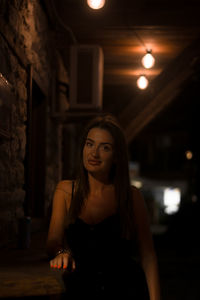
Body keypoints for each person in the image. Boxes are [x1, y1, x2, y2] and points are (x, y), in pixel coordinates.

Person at [46, 114, 161, 299]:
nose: (94, 153)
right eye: (90, 144)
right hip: (81, 291)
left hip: (126, 290)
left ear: (116, 157)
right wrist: (62, 252)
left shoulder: (131, 196)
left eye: (105, 148)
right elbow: (53, 240)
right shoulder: (66, 190)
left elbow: (148, 256)